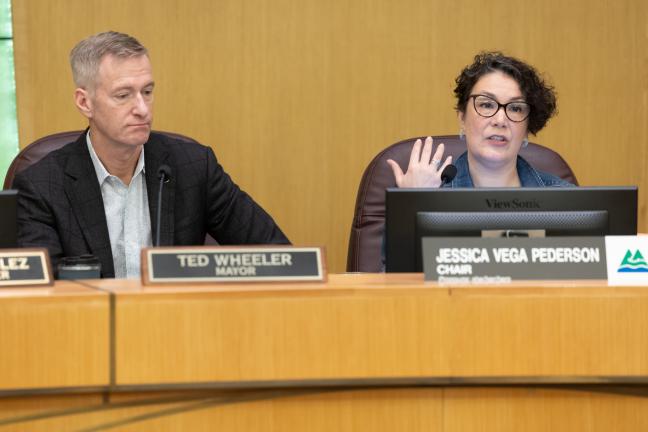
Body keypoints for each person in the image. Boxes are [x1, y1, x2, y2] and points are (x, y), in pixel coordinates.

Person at [15, 31, 289, 278]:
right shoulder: (42, 186)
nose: (142, 109)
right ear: (84, 102)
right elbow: (41, 294)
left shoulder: (193, 167)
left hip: (177, 327)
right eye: (123, 95)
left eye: (147, 92)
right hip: (88, 330)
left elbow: (278, 255)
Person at [387, 51, 573, 188]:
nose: (500, 120)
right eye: (486, 105)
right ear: (462, 118)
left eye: (515, 108)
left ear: (527, 128)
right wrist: (412, 203)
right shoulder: (427, 192)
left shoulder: (565, 199)